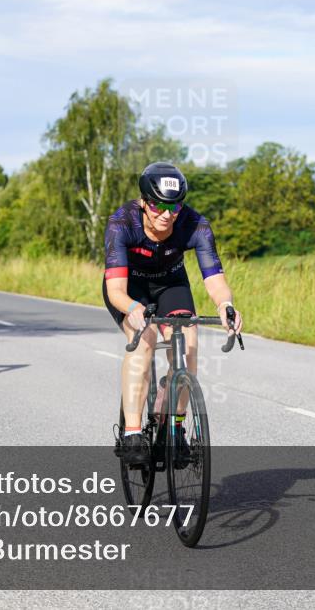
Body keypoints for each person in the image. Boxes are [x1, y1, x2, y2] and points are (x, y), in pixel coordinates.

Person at [103, 162, 243, 465]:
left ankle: (175, 428)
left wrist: (225, 305)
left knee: (188, 348)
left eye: (175, 206)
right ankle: (132, 432)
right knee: (144, 342)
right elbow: (115, 290)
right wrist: (132, 308)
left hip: (171, 284)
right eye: (158, 206)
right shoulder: (122, 223)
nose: (167, 215)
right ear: (144, 201)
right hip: (130, 289)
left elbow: (214, 279)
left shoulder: (195, 225)